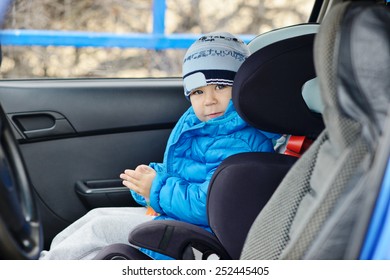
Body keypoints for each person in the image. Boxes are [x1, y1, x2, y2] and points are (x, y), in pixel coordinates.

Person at [39, 32, 279, 260]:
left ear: (241, 88)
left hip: (200, 233)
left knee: (99, 230)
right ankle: (47, 260)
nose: (209, 100)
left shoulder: (239, 140)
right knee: (96, 216)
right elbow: (186, 177)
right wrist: (154, 178)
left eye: (220, 86)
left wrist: (156, 188)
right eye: (197, 91)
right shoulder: (204, 126)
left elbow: (210, 206)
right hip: (180, 217)